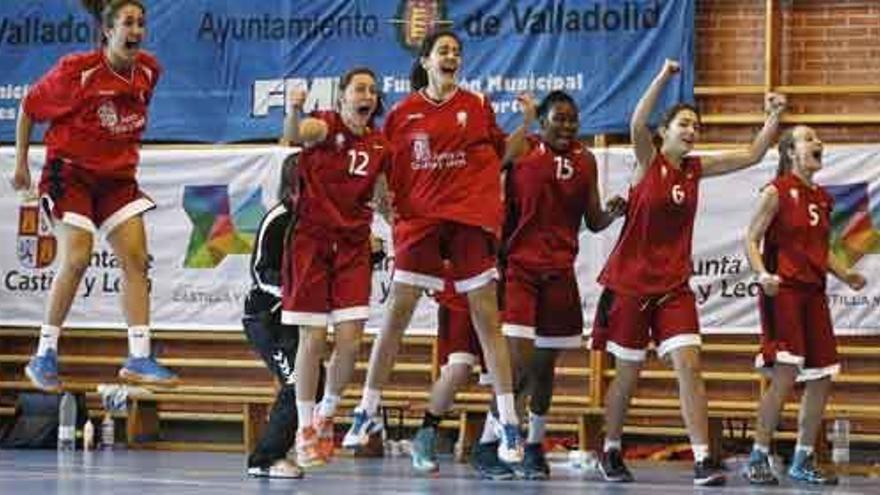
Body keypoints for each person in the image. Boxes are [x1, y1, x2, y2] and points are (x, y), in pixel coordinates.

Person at [590, 59, 786, 486]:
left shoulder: (696, 169)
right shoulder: (648, 160)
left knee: (690, 367)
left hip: (674, 287)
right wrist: (663, 76)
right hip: (630, 285)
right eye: (684, 124)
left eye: (696, 126)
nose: (692, 131)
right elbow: (637, 119)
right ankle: (610, 448)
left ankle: (702, 459)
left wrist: (773, 116)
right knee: (626, 374)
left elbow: (751, 154)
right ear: (665, 132)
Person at [342, 30, 525, 464]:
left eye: (457, 52)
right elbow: (383, 174)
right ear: (426, 61)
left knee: (487, 320)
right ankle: (366, 410)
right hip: (421, 223)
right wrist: (389, 212)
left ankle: (510, 423)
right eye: (443, 51)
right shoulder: (403, 115)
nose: (452, 57)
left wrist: (528, 124)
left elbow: (501, 155)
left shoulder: (477, 105)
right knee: (396, 316)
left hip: (468, 221)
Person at [13, 0, 176, 391]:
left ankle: (138, 357)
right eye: (128, 23)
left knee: (136, 259)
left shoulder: (150, 71)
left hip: (117, 179)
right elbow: (29, 108)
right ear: (108, 31)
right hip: (69, 174)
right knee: (79, 255)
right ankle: (44, 354)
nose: (136, 30)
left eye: (141, 23)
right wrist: (21, 164)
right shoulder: (77, 70)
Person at [471, 91, 626, 481]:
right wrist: (521, 121)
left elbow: (592, 220)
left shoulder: (585, 159)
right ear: (542, 121)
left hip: (560, 273)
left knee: (543, 369)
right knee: (518, 365)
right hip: (520, 271)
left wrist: (612, 212)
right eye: (559, 118)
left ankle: (535, 446)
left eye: (573, 119)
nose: (568, 126)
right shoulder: (523, 149)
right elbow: (488, 170)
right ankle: (489, 444)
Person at [743, 126, 867, 486]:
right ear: (790, 152)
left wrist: (847, 276)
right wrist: (762, 273)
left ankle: (803, 458)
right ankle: (758, 455)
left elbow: (822, 249)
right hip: (784, 292)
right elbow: (750, 238)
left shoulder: (823, 198)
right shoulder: (775, 192)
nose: (818, 143)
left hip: (814, 294)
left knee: (823, 376)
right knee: (784, 376)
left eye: (817, 138)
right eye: (808, 138)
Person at [279, 67, 388, 467]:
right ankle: (304, 427)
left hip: (353, 247)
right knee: (312, 338)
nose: (368, 95)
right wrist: (294, 109)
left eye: (373, 90)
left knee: (351, 339)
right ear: (343, 97)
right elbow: (295, 133)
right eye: (360, 88)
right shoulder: (325, 126)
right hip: (311, 241)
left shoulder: (379, 145)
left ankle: (326, 416)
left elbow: (385, 201)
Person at [243, 152, 304, 479]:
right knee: (296, 384)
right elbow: (260, 272)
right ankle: (264, 459)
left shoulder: (319, 219)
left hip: (295, 319)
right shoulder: (278, 219)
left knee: (313, 384)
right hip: (266, 318)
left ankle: (284, 444)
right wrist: (295, 292)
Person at [409, 266, 487, 473]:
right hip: (459, 295)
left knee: (510, 371)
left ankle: (493, 443)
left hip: (498, 293)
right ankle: (426, 433)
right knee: (458, 367)